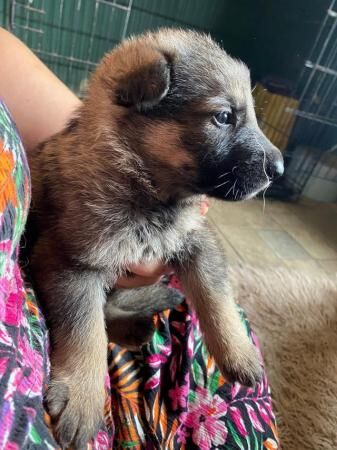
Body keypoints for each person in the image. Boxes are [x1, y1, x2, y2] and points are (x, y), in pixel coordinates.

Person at [0, 27, 279, 449]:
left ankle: (120, 311)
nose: (269, 156)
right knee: (83, 274)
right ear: (138, 103)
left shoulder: (171, 185)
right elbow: (68, 269)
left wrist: (226, 337)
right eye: (224, 118)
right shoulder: (92, 187)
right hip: (54, 301)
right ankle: (108, 323)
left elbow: (198, 247)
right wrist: (82, 369)